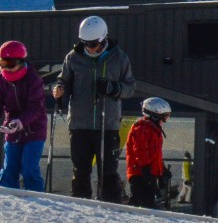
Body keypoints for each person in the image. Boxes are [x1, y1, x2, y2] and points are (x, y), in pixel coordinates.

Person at [52, 16, 136, 202]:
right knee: (80, 169)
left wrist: (114, 88)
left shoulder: (118, 57)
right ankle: (80, 205)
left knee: (107, 171)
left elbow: (130, 87)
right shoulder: (73, 57)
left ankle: (111, 206)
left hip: (108, 124)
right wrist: (60, 90)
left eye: (94, 43)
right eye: (86, 43)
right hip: (80, 124)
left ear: (103, 38)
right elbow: (63, 81)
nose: (90, 47)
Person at [0, 40, 48, 192]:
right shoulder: (2, 80)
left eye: (10, 63)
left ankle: (38, 203)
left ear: (21, 62)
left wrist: (20, 122)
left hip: (34, 130)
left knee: (29, 170)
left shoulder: (34, 80)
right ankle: (10, 205)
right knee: (9, 171)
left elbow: (36, 108)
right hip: (12, 131)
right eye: (2, 62)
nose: (6, 67)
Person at [124, 97, 170, 208]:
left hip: (150, 174)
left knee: (150, 203)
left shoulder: (155, 131)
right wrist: (146, 169)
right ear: (155, 115)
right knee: (141, 202)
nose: (164, 121)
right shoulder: (141, 128)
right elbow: (140, 150)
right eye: (164, 117)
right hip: (140, 174)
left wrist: (161, 170)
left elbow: (156, 155)